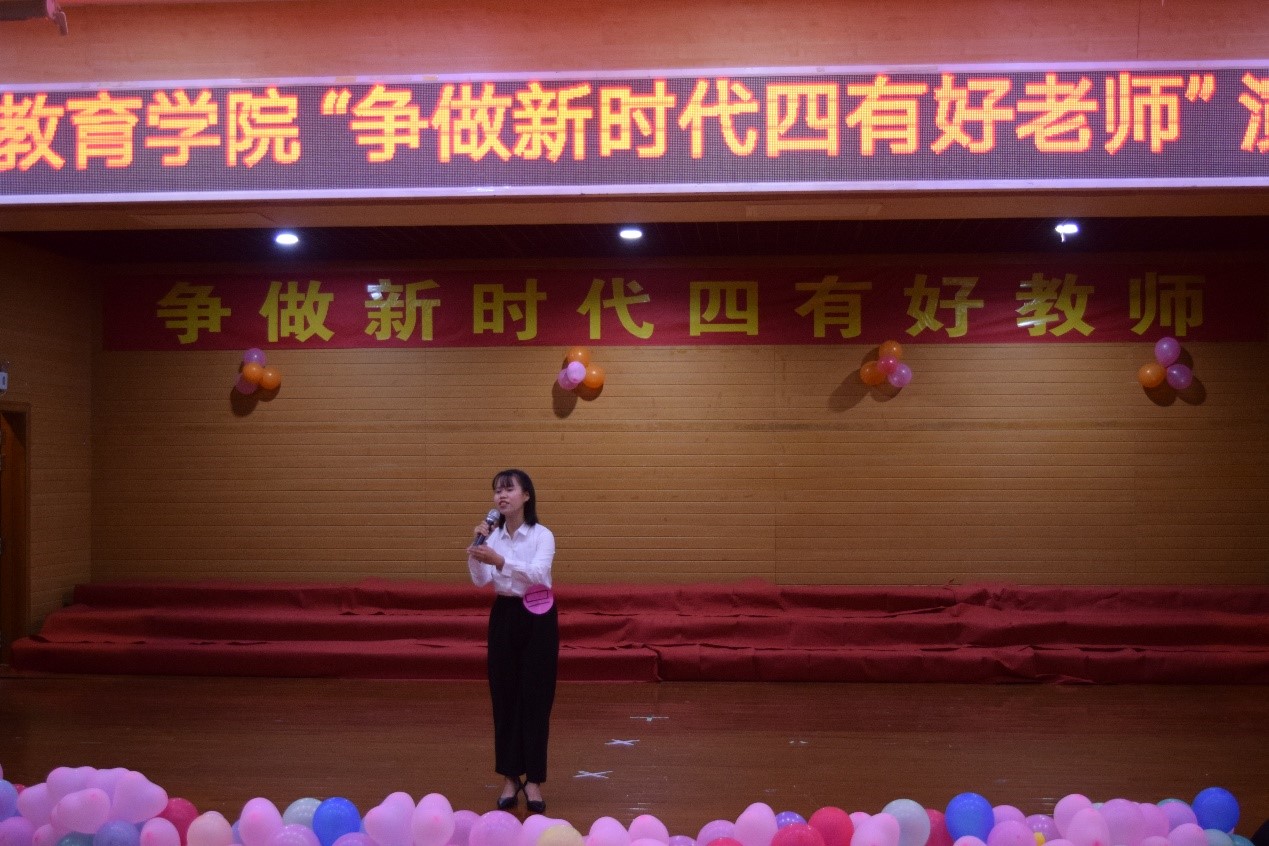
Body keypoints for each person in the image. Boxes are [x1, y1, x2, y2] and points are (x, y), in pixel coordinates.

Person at [466, 468, 558, 815]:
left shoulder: (542, 535)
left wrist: (501, 560)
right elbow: (480, 581)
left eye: (508, 489)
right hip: (504, 614)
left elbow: (538, 574)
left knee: (536, 698)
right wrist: (476, 550)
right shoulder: (491, 536)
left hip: (538, 615)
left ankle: (533, 780)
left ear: (526, 496)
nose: (501, 496)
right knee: (504, 697)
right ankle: (509, 777)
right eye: (497, 491)